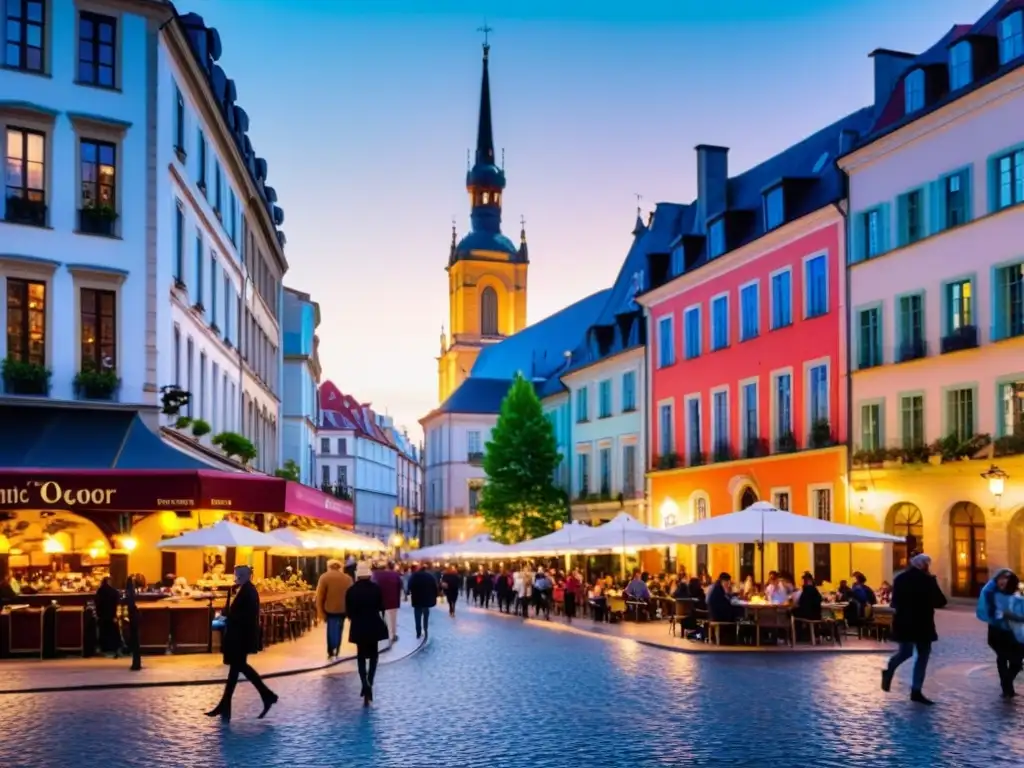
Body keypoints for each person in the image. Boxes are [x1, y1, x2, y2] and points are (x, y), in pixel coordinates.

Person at [205, 565, 278, 721]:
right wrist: (225, 614)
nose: (234, 576)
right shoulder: (239, 590)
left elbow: (248, 616)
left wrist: (228, 618)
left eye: (237, 574)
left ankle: (266, 696)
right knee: (236, 669)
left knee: (239, 667)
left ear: (244, 575)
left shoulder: (249, 591)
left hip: (241, 637)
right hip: (236, 635)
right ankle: (227, 706)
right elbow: (232, 609)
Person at [882, 553, 947, 705]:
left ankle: (890, 668)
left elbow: (894, 603)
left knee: (905, 652)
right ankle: (916, 690)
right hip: (923, 624)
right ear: (924, 565)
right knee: (923, 656)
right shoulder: (928, 580)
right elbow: (941, 601)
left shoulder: (900, 579)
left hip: (904, 623)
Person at [346, 561, 389, 706]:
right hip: (373, 625)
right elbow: (381, 606)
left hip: (359, 626)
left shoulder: (351, 590)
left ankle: (364, 683)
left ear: (357, 576)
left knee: (361, 657)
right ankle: (370, 681)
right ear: (369, 575)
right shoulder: (376, 589)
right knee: (374, 656)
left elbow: (349, 612)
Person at [977, 568, 1024, 698]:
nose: (1004, 581)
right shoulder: (993, 595)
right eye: (1001, 578)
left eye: (1007, 578)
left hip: (1013, 634)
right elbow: (996, 615)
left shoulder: (1015, 595)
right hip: (999, 633)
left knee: (1015, 662)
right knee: (1004, 658)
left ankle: (1006, 685)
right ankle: (1007, 688)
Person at [315, 559, 353, 660]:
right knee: (340, 628)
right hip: (343, 609)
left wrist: (320, 611)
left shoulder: (324, 577)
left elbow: (320, 596)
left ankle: (331, 650)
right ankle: (337, 649)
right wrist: (351, 612)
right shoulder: (347, 578)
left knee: (331, 629)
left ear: (329, 567)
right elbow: (352, 596)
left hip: (330, 609)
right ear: (340, 567)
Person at [373, 561, 403, 643]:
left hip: (378, 601)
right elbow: (400, 586)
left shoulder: (375, 574)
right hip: (393, 601)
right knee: (393, 619)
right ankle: (393, 635)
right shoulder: (395, 574)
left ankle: (380, 635)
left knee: (379, 618)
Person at [407, 562, 438, 639]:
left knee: (417, 616)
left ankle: (418, 632)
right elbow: (435, 587)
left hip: (416, 599)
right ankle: (425, 629)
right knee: (426, 615)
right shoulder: (430, 576)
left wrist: (409, 592)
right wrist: (434, 596)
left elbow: (409, 586)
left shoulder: (414, 576)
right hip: (427, 599)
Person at [94, 576, 121, 657]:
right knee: (113, 632)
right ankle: (114, 648)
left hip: (102, 615)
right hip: (111, 615)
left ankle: (104, 648)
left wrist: (98, 613)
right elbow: (117, 602)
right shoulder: (114, 591)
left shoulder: (100, 591)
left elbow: (97, 602)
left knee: (103, 632)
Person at [124, 575, 142, 671]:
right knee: (136, 643)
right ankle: (136, 664)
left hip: (132, 619)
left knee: (134, 641)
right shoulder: (134, 594)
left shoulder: (129, 594)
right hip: (135, 619)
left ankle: (136, 664)